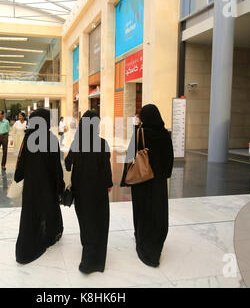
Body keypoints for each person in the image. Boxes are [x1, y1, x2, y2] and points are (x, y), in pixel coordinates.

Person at [120, 104, 174, 268]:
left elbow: (129, 157)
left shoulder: (140, 133)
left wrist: (125, 180)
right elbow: (170, 158)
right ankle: (156, 243)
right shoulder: (165, 134)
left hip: (141, 181)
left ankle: (143, 241)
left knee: (143, 211)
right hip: (158, 183)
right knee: (158, 211)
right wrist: (164, 175)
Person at [14, 108, 64, 264]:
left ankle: (29, 242)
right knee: (48, 208)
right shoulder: (51, 139)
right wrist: (59, 185)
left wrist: (19, 175)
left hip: (31, 185)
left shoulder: (28, 138)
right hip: (47, 184)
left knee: (32, 212)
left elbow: (21, 162)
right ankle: (49, 234)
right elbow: (56, 166)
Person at [65, 110, 113, 274]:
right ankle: (96, 257)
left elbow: (67, 163)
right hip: (98, 189)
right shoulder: (102, 143)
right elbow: (106, 169)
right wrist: (109, 184)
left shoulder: (77, 143)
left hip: (80, 188)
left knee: (85, 218)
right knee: (98, 220)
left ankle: (87, 246)